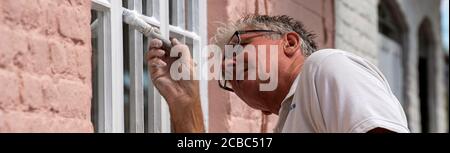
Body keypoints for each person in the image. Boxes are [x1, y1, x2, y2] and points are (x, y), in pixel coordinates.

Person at [145, 14, 410, 133]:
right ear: (258, 109)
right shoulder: (291, 120)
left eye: (239, 47)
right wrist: (185, 103)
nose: (228, 65)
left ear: (290, 43)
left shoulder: (324, 66)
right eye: (225, 71)